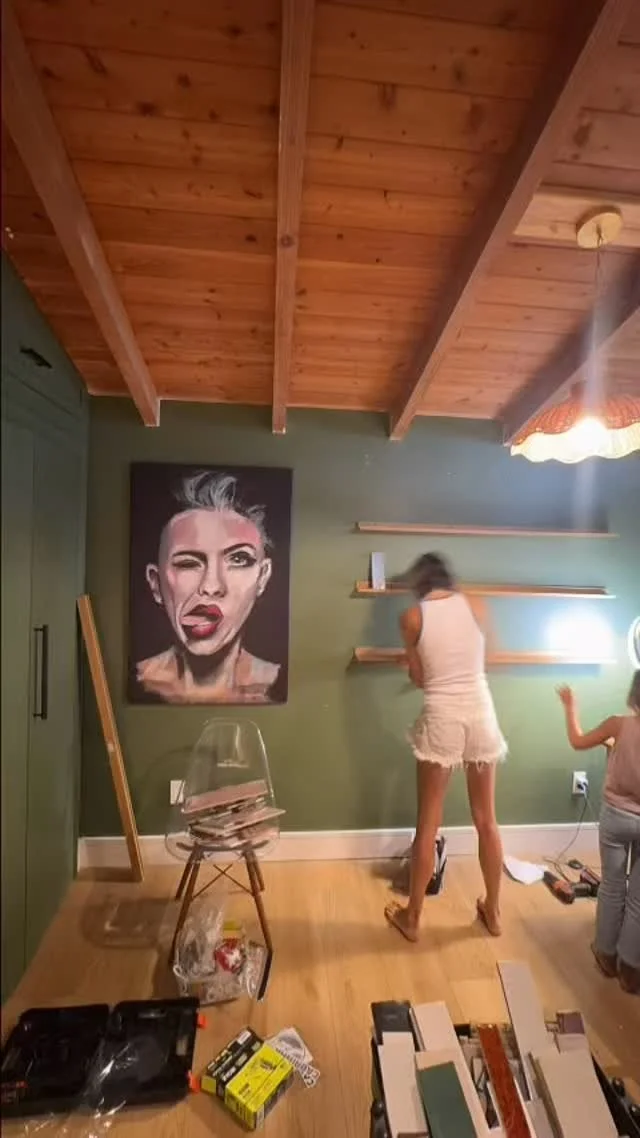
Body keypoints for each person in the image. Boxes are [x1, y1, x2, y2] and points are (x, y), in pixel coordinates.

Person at [385, 553, 507, 942]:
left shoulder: (411, 618)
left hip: (442, 718)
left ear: (419, 584)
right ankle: (493, 912)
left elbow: (420, 678)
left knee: (428, 824)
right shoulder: (476, 605)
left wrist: (413, 664)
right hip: (481, 713)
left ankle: (413, 918)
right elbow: (488, 660)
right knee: (487, 820)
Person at [136, 471, 279, 704]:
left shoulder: (277, 684)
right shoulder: (140, 681)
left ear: (262, 578)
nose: (211, 586)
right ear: (156, 583)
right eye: (187, 563)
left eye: (238, 559)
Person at [557, 673, 640, 993]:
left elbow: (577, 741)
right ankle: (630, 971)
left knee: (613, 886)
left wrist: (570, 707)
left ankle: (606, 954)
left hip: (617, 817)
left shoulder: (618, 725)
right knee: (638, 898)